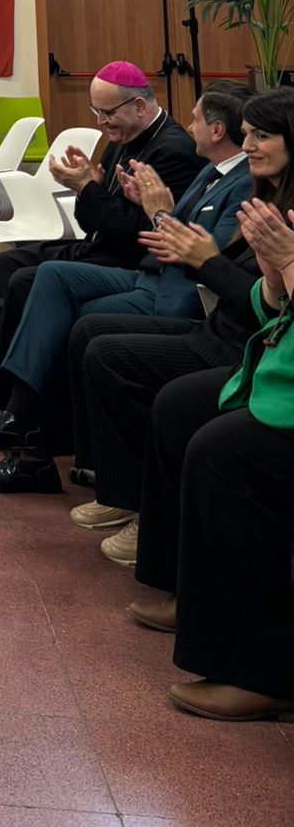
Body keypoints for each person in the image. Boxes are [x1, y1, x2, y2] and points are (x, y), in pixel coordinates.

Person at [0, 84, 253, 493]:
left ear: (217, 130)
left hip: (173, 291)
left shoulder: (231, 176)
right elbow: (160, 230)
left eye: (196, 119)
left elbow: (202, 254)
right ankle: (18, 414)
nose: (189, 126)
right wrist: (136, 200)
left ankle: (33, 447)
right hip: (148, 273)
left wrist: (154, 211)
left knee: (73, 320)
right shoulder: (211, 168)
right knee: (47, 276)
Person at [69, 87, 293, 556]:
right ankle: (121, 493)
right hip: (218, 325)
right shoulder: (256, 189)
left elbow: (247, 294)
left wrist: (201, 254)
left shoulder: (264, 200)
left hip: (237, 342)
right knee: (91, 333)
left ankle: (148, 516)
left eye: (261, 136)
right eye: (247, 134)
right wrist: (150, 210)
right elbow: (246, 285)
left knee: (120, 358)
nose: (248, 145)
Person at [126, 189, 294, 721]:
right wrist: (274, 279)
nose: (250, 149)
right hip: (272, 371)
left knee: (224, 452)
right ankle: (190, 596)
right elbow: (271, 308)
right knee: (179, 407)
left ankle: (264, 673)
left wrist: (287, 265)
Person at [0, 61, 200, 417]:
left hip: (126, 258)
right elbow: (93, 216)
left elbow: (140, 232)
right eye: (96, 111)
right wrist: (87, 186)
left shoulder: (173, 151)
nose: (100, 122)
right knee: (1, 265)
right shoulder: (123, 137)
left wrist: (87, 188)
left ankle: (23, 407)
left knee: (23, 280)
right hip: (99, 245)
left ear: (139, 106)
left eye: (107, 112)